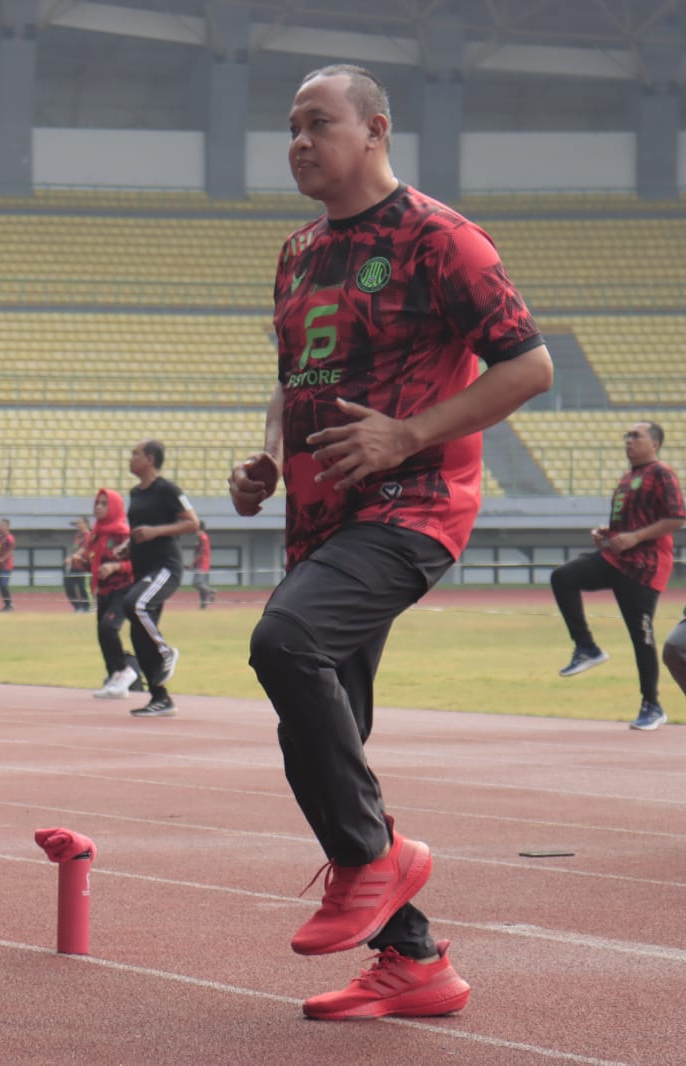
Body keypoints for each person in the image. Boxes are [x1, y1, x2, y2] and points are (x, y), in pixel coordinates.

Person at [229, 64, 553, 1020]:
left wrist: (408, 435)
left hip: (415, 506)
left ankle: (377, 862)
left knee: (284, 644)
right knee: (323, 744)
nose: (298, 140)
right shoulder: (294, 252)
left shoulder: (441, 238)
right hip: (322, 520)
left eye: (317, 123)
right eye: (289, 125)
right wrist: (266, 456)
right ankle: (415, 961)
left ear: (374, 130)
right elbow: (296, 380)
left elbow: (527, 365)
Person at [550, 421, 683, 730]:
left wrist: (635, 538)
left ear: (655, 444)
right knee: (563, 577)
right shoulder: (628, 479)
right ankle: (587, 647)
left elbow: (676, 516)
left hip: (644, 567)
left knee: (641, 637)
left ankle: (652, 706)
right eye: (627, 436)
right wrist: (606, 534)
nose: (629, 441)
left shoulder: (662, 473)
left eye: (636, 436)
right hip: (616, 558)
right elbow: (628, 524)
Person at [113, 439, 198, 717]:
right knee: (139, 634)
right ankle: (161, 698)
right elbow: (140, 529)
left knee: (134, 604)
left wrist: (154, 532)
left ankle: (165, 652)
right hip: (143, 567)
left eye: (134, 453)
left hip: (165, 567)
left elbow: (192, 523)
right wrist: (128, 546)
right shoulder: (136, 492)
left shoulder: (168, 490)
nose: (130, 458)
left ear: (150, 459)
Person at [77, 489, 137, 699]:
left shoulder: (123, 533)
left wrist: (115, 568)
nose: (98, 507)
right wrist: (84, 564)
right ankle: (114, 675)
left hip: (121, 589)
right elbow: (94, 561)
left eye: (104, 504)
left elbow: (135, 563)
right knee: (102, 635)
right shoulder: (96, 533)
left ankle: (126, 670)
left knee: (109, 627)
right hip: (102, 590)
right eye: (97, 503)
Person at [64, 516, 92, 613]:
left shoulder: (88, 535)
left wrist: (72, 557)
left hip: (84, 566)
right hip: (75, 566)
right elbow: (75, 549)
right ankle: (77, 606)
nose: (78, 525)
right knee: (69, 585)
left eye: (79, 523)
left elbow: (83, 549)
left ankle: (87, 607)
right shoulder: (77, 536)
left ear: (86, 524)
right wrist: (71, 557)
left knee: (83, 587)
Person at [191, 520, 215, 609]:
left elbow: (201, 553)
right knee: (202, 584)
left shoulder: (203, 538)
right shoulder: (201, 538)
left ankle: (211, 591)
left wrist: (193, 563)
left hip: (202, 565)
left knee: (197, 583)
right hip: (203, 564)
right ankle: (203, 604)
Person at [0, 518, 16, 611]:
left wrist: (1, 559)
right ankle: (6, 604)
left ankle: (9, 603)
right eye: (0, 525)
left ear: (7, 527)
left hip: (6, 566)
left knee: (3, 584)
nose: (0, 527)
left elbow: (11, 552)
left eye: (2, 525)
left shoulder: (9, 538)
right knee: (0, 585)